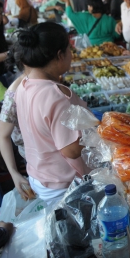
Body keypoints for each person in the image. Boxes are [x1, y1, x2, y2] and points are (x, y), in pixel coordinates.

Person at [15, 22, 90, 204]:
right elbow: (71, 150)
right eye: (69, 49)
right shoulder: (55, 95)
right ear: (59, 55)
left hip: (40, 177)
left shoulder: (24, 85)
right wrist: (94, 128)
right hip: (64, 186)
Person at [0, 44, 35, 200]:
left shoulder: (41, 82)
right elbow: (3, 136)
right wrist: (14, 173)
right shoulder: (14, 93)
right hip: (32, 155)